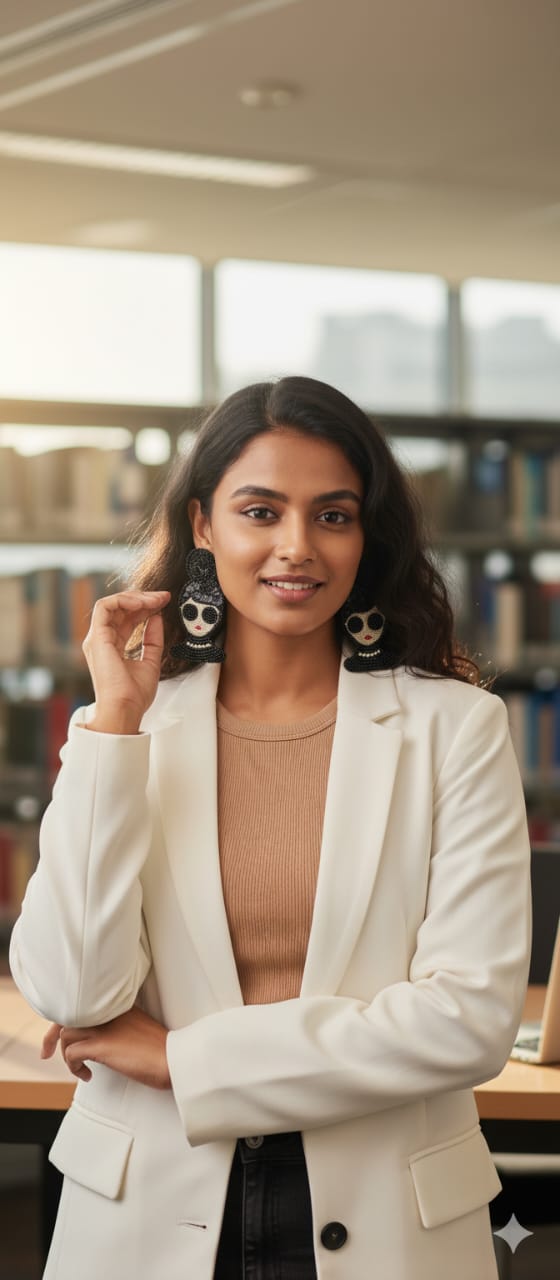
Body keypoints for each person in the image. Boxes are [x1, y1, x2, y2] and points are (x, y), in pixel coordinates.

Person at [10, 376, 531, 1280]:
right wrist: (114, 728)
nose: (298, 546)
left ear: (367, 537)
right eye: (262, 510)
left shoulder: (459, 727)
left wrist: (182, 1059)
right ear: (205, 525)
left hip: (383, 1213)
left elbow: (467, 1022)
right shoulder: (129, 728)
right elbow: (74, 992)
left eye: (333, 515)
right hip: (146, 1210)